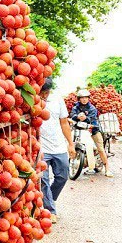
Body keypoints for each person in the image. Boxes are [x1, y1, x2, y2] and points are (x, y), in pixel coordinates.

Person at [38, 78, 76, 223]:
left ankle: (50, 199)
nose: (44, 95)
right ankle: (50, 210)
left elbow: (64, 123)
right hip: (42, 149)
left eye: (46, 92)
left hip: (58, 146)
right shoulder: (34, 101)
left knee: (63, 176)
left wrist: (70, 144)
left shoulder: (57, 100)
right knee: (44, 180)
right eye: (42, 93)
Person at [70, 89, 114, 177]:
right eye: (82, 98)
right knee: (71, 144)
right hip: (79, 130)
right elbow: (72, 115)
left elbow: (92, 118)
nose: (84, 100)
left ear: (88, 98)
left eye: (86, 98)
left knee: (100, 149)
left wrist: (85, 118)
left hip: (93, 130)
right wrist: (77, 116)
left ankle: (107, 169)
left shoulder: (92, 108)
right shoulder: (76, 107)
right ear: (79, 99)